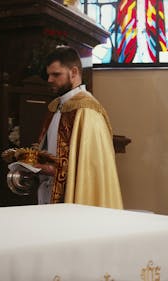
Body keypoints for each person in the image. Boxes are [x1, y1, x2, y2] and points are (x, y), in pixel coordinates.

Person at [33, 45, 123, 209]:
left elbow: (88, 170)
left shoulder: (87, 111)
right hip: (47, 192)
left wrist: (51, 170)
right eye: (49, 75)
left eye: (56, 74)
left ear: (73, 73)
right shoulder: (56, 106)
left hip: (73, 199)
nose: (49, 80)